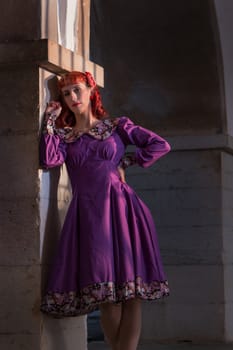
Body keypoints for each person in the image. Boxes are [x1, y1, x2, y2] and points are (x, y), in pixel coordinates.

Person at [40, 71, 171, 350]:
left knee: (131, 294)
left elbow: (160, 144)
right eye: (66, 93)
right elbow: (49, 159)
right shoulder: (66, 136)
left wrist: (127, 161)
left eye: (77, 90)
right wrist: (49, 121)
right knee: (106, 292)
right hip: (88, 214)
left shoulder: (117, 126)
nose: (73, 98)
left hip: (124, 211)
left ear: (91, 90)